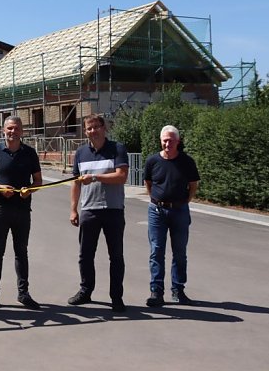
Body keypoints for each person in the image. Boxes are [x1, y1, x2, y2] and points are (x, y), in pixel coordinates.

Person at [0, 116, 42, 310]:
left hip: (22, 210)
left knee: (21, 252)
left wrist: (29, 190)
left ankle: (23, 293)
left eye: (16, 128)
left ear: (22, 131)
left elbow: (38, 181)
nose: (12, 132)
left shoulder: (30, 153)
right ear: (3, 131)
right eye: (9, 129)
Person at [68, 113, 129, 312]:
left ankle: (116, 297)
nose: (93, 131)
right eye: (89, 128)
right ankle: (86, 290)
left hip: (113, 210)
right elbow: (76, 183)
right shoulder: (80, 153)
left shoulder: (117, 149)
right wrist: (73, 209)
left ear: (104, 128)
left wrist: (95, 177)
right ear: (85, 131)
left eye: (96, 127)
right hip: (89, 210)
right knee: (85, 255)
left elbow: (121, 176)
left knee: (116, 256)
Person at [144, 125, 200, 307]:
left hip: (179, 211)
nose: (168, 143)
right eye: (165, 140)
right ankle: (156, 292)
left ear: (178, 141)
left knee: (180, 252)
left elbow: (193, 185)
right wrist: (156, 199)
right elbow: (148, 183)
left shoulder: (187, 162)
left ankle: (178, 290)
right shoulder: (152, 161)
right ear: (161, 141)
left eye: (171, 140)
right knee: (156, 251)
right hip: (157, 212)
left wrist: (185, 202)